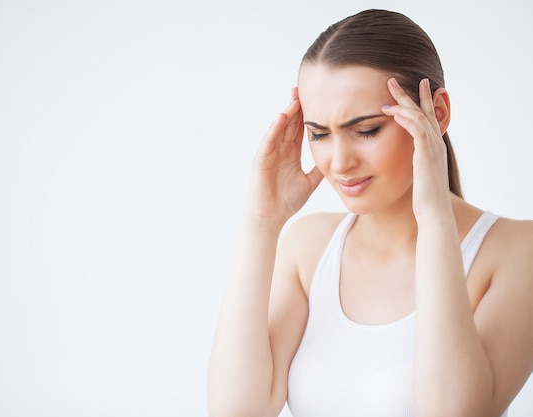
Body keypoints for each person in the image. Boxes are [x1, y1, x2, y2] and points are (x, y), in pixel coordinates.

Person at [206, 9, 533, 417]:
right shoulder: (309, 247)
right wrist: (261, 224)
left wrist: (434, 219)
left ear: (439, 113)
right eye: (319, 134)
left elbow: (452, 411)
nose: (339, 162)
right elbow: (236, 410)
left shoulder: (520, 252)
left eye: (366, 130)